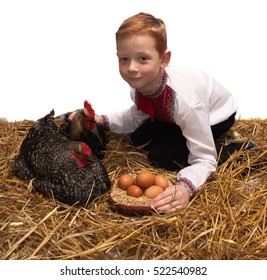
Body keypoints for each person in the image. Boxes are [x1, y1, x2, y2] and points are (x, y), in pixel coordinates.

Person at [71, 12, 244, 213]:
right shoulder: (143, 84)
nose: (131, 68)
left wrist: (186, 188)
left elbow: (203, 157)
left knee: (163, 158)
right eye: (124, 59)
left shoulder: (185, 103)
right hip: (172, 116)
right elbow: (136, 115)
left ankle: (238, 150)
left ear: (164, 59)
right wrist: (99, 119)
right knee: (137, 138)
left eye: (143, 58)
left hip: (216, 116)